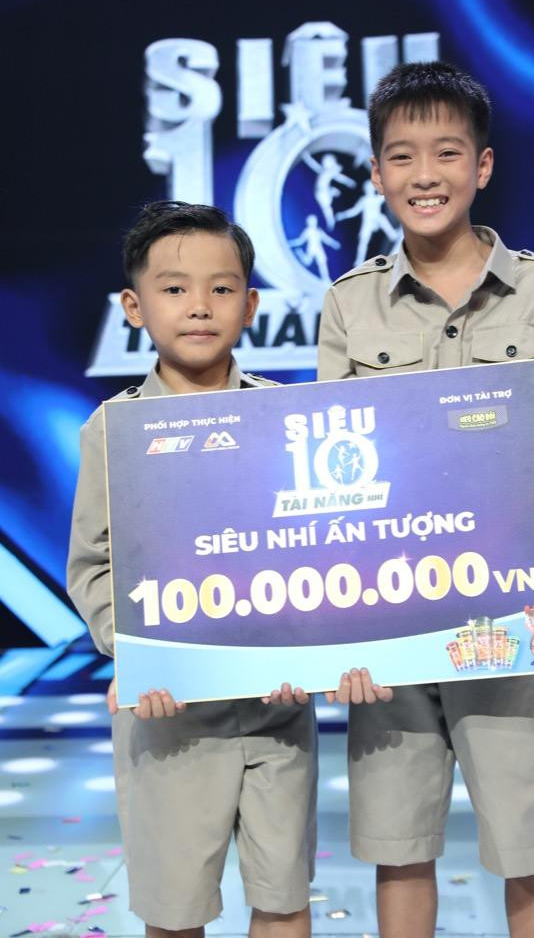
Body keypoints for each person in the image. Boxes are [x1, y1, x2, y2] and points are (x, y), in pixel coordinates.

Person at [316, 61, 534, 938]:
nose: (425, 174)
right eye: (402, 156)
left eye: (447, 152)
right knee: (399, 847)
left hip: (513, 620)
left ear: (482, 166)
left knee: (529, 847)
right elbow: (330, 484)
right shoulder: (348, 305)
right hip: (392, 626)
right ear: (377, 175)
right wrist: (340, 632)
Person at [67, 201, 316, 938]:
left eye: (222, 288)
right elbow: (94, 565)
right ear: (134, 307)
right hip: (168, 718)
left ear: (252, 305)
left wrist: (321, 648)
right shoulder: (112, 431)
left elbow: (321, 552)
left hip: (278, 710)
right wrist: (136, 650)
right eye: (174, 289)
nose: (200, 306)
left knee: (283, 898)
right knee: (175, 909)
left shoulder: (290, 420)